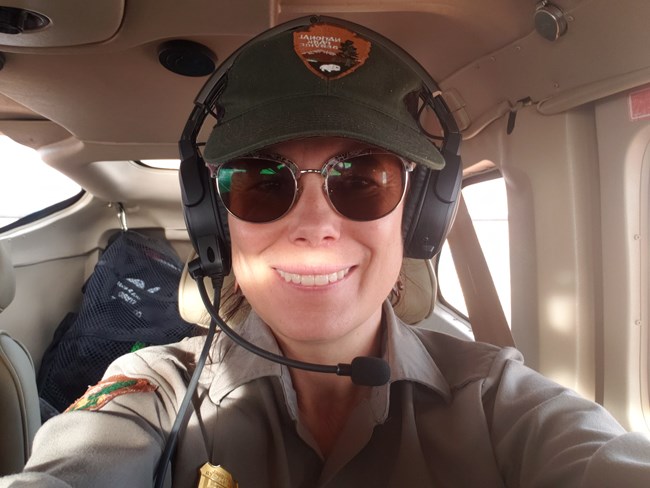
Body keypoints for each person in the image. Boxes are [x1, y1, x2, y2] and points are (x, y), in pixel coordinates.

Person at [3, 15, 650, 488]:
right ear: (218, 222)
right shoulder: (154, 390)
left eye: (362, 180)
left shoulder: (504, 402)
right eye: (261, 181)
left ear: (419, 218)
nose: (315, 225)